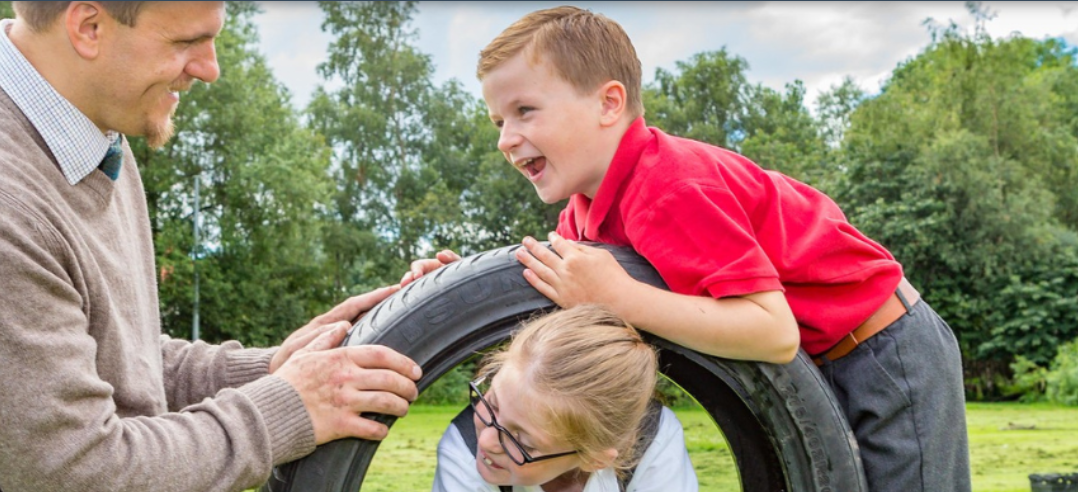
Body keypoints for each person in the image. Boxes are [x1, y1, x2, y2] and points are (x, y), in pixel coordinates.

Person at [0, 2, 422, 491]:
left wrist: (269, 369)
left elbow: (102, 355)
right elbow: (82, 475)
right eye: (185, 41)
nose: (210, 67)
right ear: (89, 26)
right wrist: (284, 409)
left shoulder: (86, 139)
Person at [402, 6, 971, 492]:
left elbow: (774, 333)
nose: (505, 138)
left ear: (608, 104)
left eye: (525, 111)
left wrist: (621, 296)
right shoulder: (583, 215)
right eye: (498, 120)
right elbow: (561, 317)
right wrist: (451, 291)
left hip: (882, 352)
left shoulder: (671, 187)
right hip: (826, 357)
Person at [432, 306, 696, 492]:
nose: (487, 441)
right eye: (491, 403)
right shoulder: (464, 446)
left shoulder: (654, 439)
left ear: (595, 459)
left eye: (521, 442)